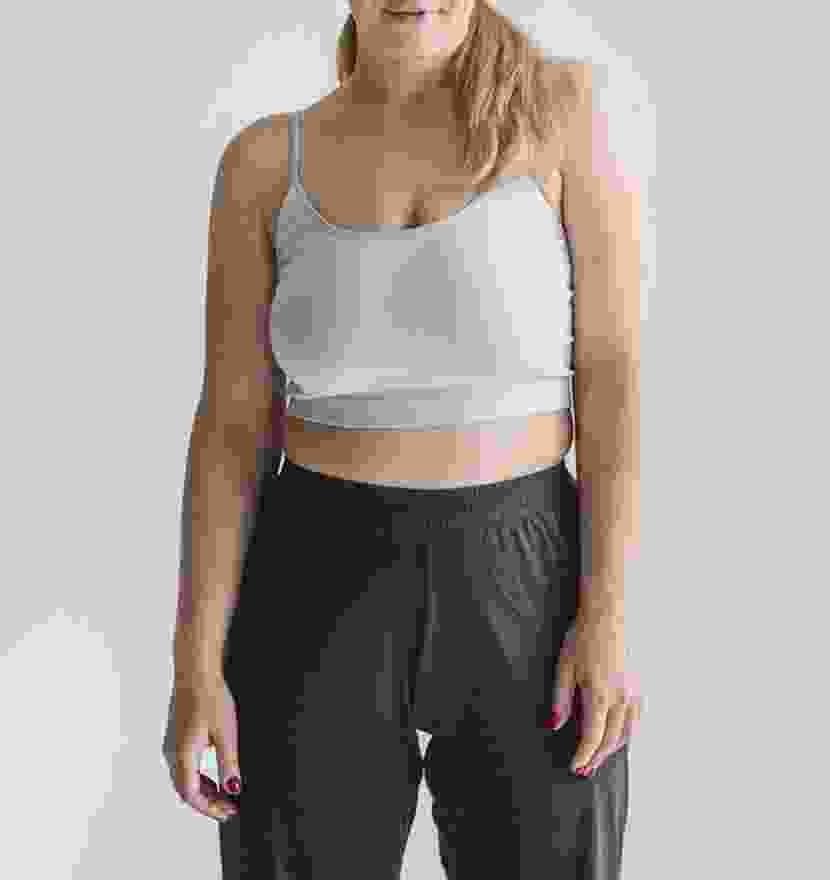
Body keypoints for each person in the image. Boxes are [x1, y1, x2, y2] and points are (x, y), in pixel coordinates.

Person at [164, 1, 642, 877]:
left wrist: (606, 615)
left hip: (527, 575)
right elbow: (231, 428)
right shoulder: (264, 164)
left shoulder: (562, 118)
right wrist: (195, 663)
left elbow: (610, 377)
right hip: (314, 577)